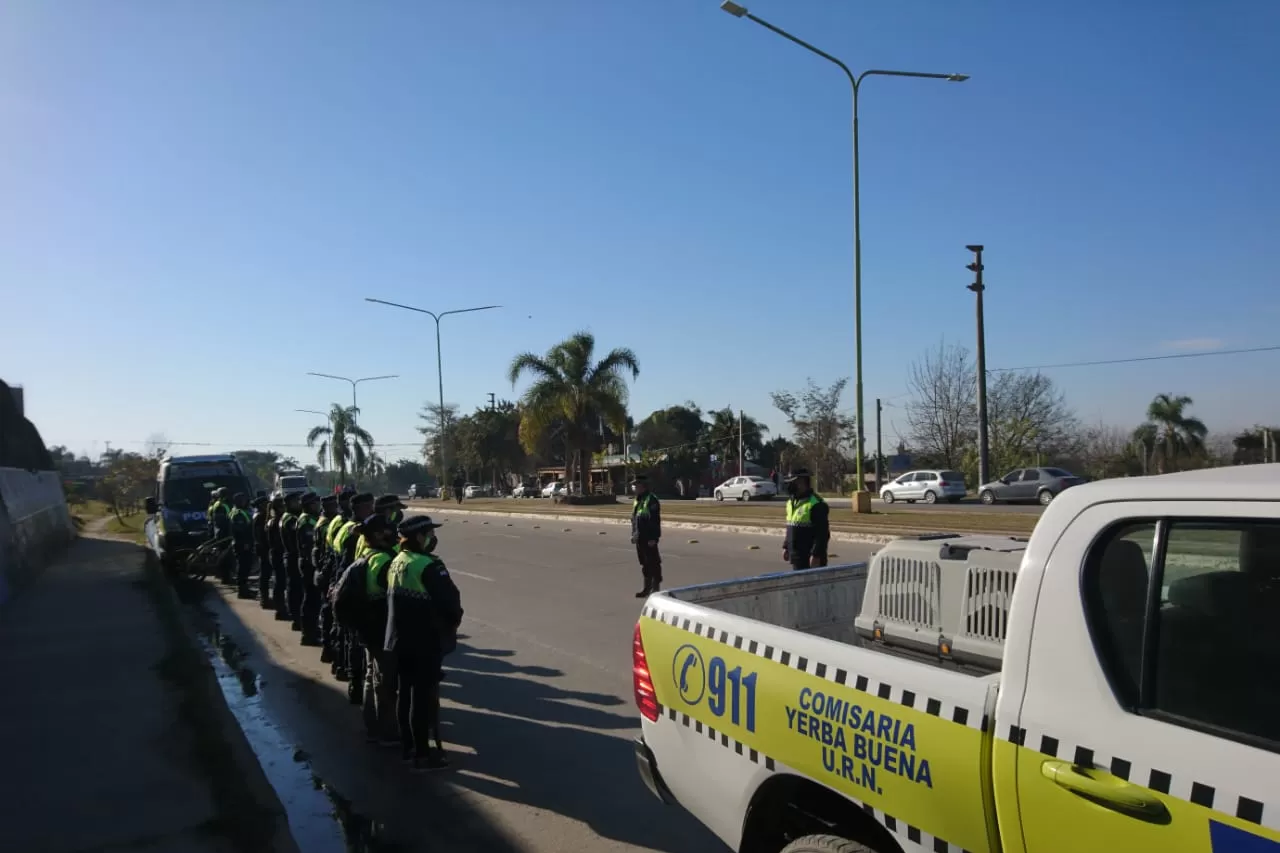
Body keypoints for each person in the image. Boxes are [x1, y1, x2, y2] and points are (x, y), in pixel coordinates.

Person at [385, 514, 462, 771]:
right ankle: (422, 754)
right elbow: (449, 602)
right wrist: (451, 624)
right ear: (419, 536)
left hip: (399, 638)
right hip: (424, 640)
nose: (433, 538)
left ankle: (408, 747)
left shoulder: (398, 561)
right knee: (422, 697)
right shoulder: (428, 565)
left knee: (405, 693)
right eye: (429, 533)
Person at [347, 514, 399, 746]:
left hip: (367, 625)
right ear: (378, 534)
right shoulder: (384, 560)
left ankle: (372, 726)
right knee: (384, 680)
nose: (392, 534)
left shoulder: (367, 555)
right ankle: (387, 731)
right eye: (388, 530)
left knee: (371, 675)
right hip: (380, 627)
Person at [333, 492, 377, 703]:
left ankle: (347, 672)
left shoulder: (356, 530)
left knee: (352, 641)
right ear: (360, 509)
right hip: (356, 592)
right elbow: (345, 564)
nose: (372, 509)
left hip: (355, 589)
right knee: (355, 644)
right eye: (369, 506)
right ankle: (355, 685)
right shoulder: (354, 533)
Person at [782, 468, 829, 571]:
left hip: (811, 560)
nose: (789, 485)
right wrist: (786, 547)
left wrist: (816, 555)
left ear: (801, 482)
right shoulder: (791, 502)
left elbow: (822, 534)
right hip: (797, 557)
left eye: (792, 482)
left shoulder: (816, 504)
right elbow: (791, 526)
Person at [313, 493, 340, 660]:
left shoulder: (325, 522)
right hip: (327, 569)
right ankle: (328, 648)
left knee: (328, 611)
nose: (335, 509)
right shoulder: (326, 525)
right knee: (329, 613)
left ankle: (328, 647)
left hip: (324, 568)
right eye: (333, 506)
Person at [296, 492, 324, 646]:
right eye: (315, 503)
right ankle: (308, 634)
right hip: (308, 564)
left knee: (313, 599)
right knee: (311, 600)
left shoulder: (310, 518)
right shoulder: (306, 521)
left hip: (308, 562)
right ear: (308, 505)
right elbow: (308, 545)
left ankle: (311, 629)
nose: (318, 505)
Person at [630, 475, 663, 598]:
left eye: (636, 485)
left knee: (653, 563)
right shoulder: (638, 499)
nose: (634, 488)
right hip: (640, 537)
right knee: (645, 563)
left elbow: (654, 520)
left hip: (649, 538)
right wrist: (633, 534)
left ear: (643, 486)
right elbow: (634, 519)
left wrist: (654, 538)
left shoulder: (651, 499)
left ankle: (655, 589)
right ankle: (647, 588)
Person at [229, 492, 255, 599]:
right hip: (242, 544)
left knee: (246, 567)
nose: (245, 502)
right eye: (242, 500)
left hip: (243, 543)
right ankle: (242, 591)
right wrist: (245, 543)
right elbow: (240, 531)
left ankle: (245, 588)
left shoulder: (241, 511)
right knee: (243, 567)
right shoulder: (238, 513)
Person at [266, 496, 288, 615]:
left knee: (280, 581)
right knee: (280, 582)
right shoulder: (276, 521)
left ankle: (280, 606)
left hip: (275, 554)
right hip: (277, 554)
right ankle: (280, 609)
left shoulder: (273, 520)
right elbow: (277, 541)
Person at [252, 493, 271, 607]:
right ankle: (264, 598)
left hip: (263, 548)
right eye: (265, 504)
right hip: (263, 549)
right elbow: (260, 535)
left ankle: (265, 597)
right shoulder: (260, 516)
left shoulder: (261, 515)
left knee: (266, 573)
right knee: (265, 574)